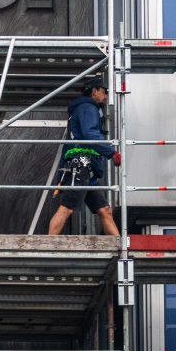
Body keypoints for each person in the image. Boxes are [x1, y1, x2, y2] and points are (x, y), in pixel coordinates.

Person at [45, 78, 121, 236]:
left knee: (105, 210)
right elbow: (90, 135)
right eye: (104, 91)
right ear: (94, 91)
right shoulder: (87, 108)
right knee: (67, 208)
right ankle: (49, 245)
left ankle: (121, 250)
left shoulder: (83, 109)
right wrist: (111, 152)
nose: (106, 96)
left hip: (87, 168)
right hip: (81, 165)